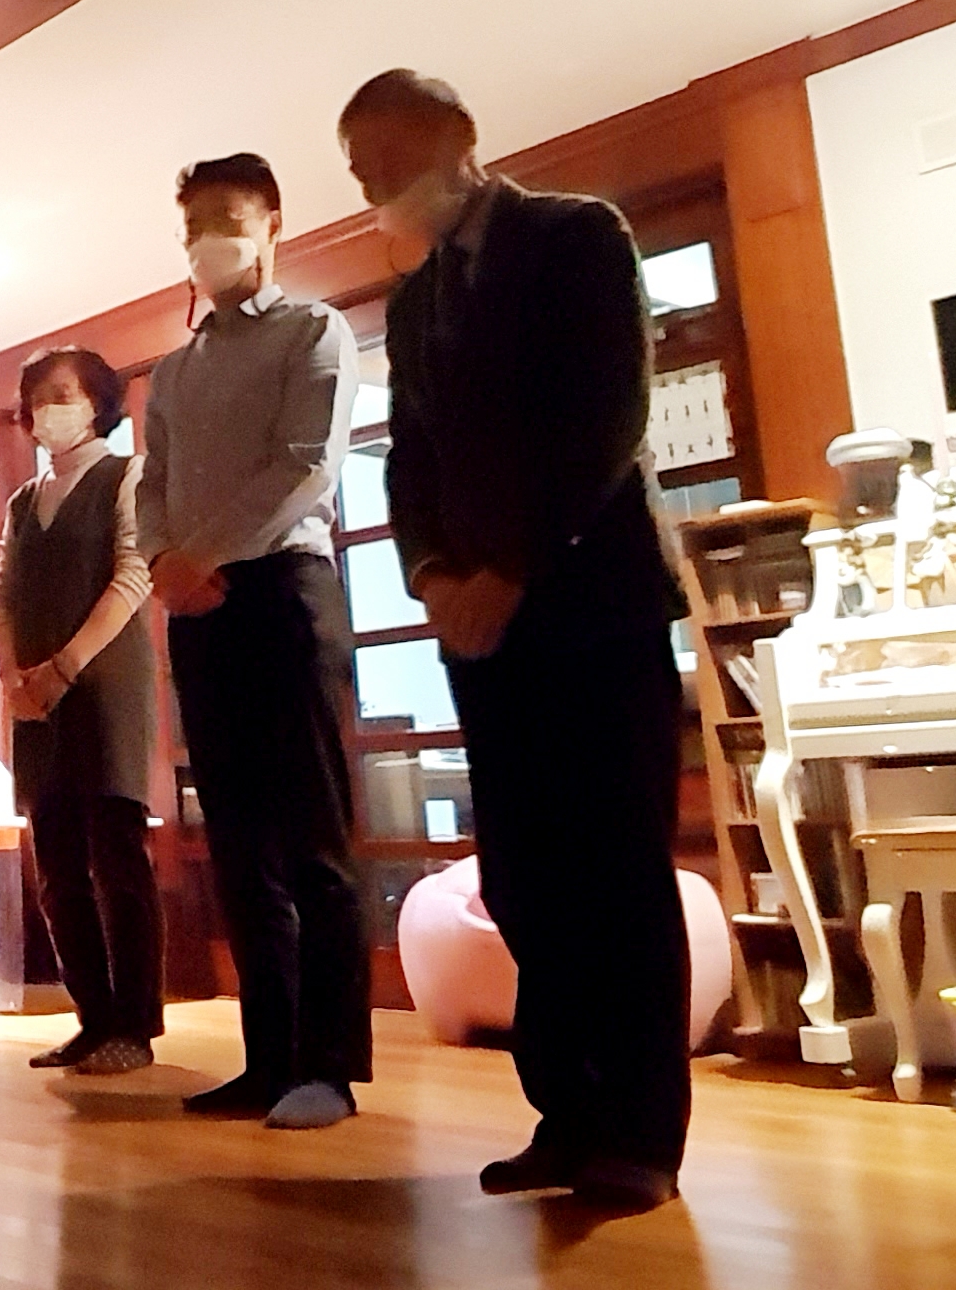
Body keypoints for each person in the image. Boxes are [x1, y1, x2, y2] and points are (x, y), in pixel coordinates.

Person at [339, 69, 690, 1209]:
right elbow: (410, 462)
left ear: (460, 137)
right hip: (482, 633)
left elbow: (607, 417)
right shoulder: (414, 303)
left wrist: (511, 568)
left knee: (616, 870)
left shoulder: (577, 235)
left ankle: (640, 1136)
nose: (376, 186)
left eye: (390, 159)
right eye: (360, 170)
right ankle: (566, 1116)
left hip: (591, 603)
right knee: (528, 879)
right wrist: (434, 575)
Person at [138, 152, 372, 1131]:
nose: (209, 241)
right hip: (198, 608)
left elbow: (306, 465)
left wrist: (203, 555)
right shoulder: (175, 370)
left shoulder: (314, 331)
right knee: (236, 843)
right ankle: (266, 1058)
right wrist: (165, 561)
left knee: (313, 836)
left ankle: (329, 1069)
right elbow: (151, 484)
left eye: (227, 220)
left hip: (284, 592)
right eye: (194, 224)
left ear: (273, 223)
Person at [0, 346, 164, 1076]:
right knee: (57, 867)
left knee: (117, 858)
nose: (45, 411)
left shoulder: (127, 475)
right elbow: (4, 595)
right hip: (37, 697)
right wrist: (14, 675)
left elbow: (134, 576)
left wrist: (65, 666)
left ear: (98, 402)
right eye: (36, 399)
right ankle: (92, 1019)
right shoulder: (20, 502)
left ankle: (135, 1024)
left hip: (105, 687)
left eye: (61, 395)